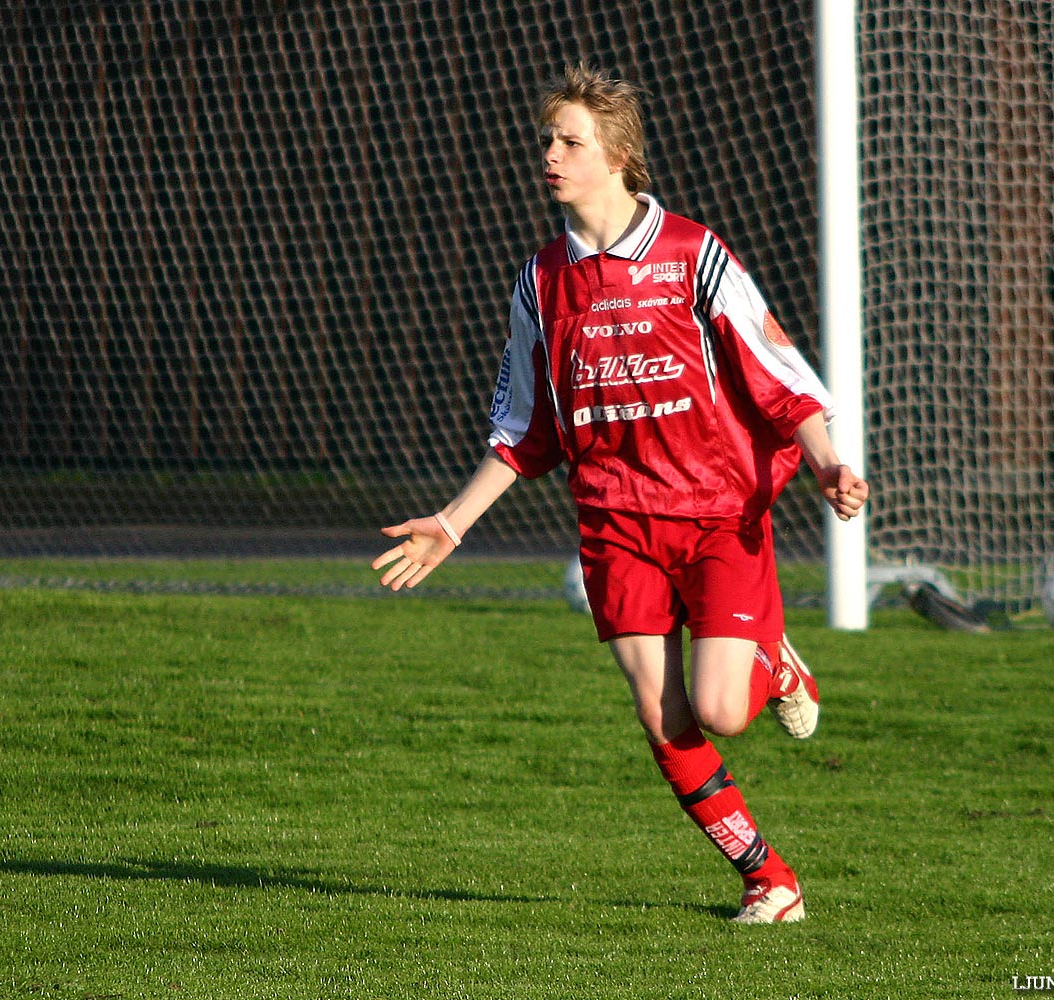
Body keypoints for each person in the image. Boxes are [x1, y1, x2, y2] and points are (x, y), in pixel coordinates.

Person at [372, 62, 868, 924]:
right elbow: (525, 430)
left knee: (721, 708)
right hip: (614, 523)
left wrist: (824, 462)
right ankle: (768, 880)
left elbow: (778, 372)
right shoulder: (541, 282)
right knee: (661, 713)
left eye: (570, 142)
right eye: (548, 141)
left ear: (618, 157)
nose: (550, 157)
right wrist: (450, 525)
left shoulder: (690, 252)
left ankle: (775, 661)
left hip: (717, 513)